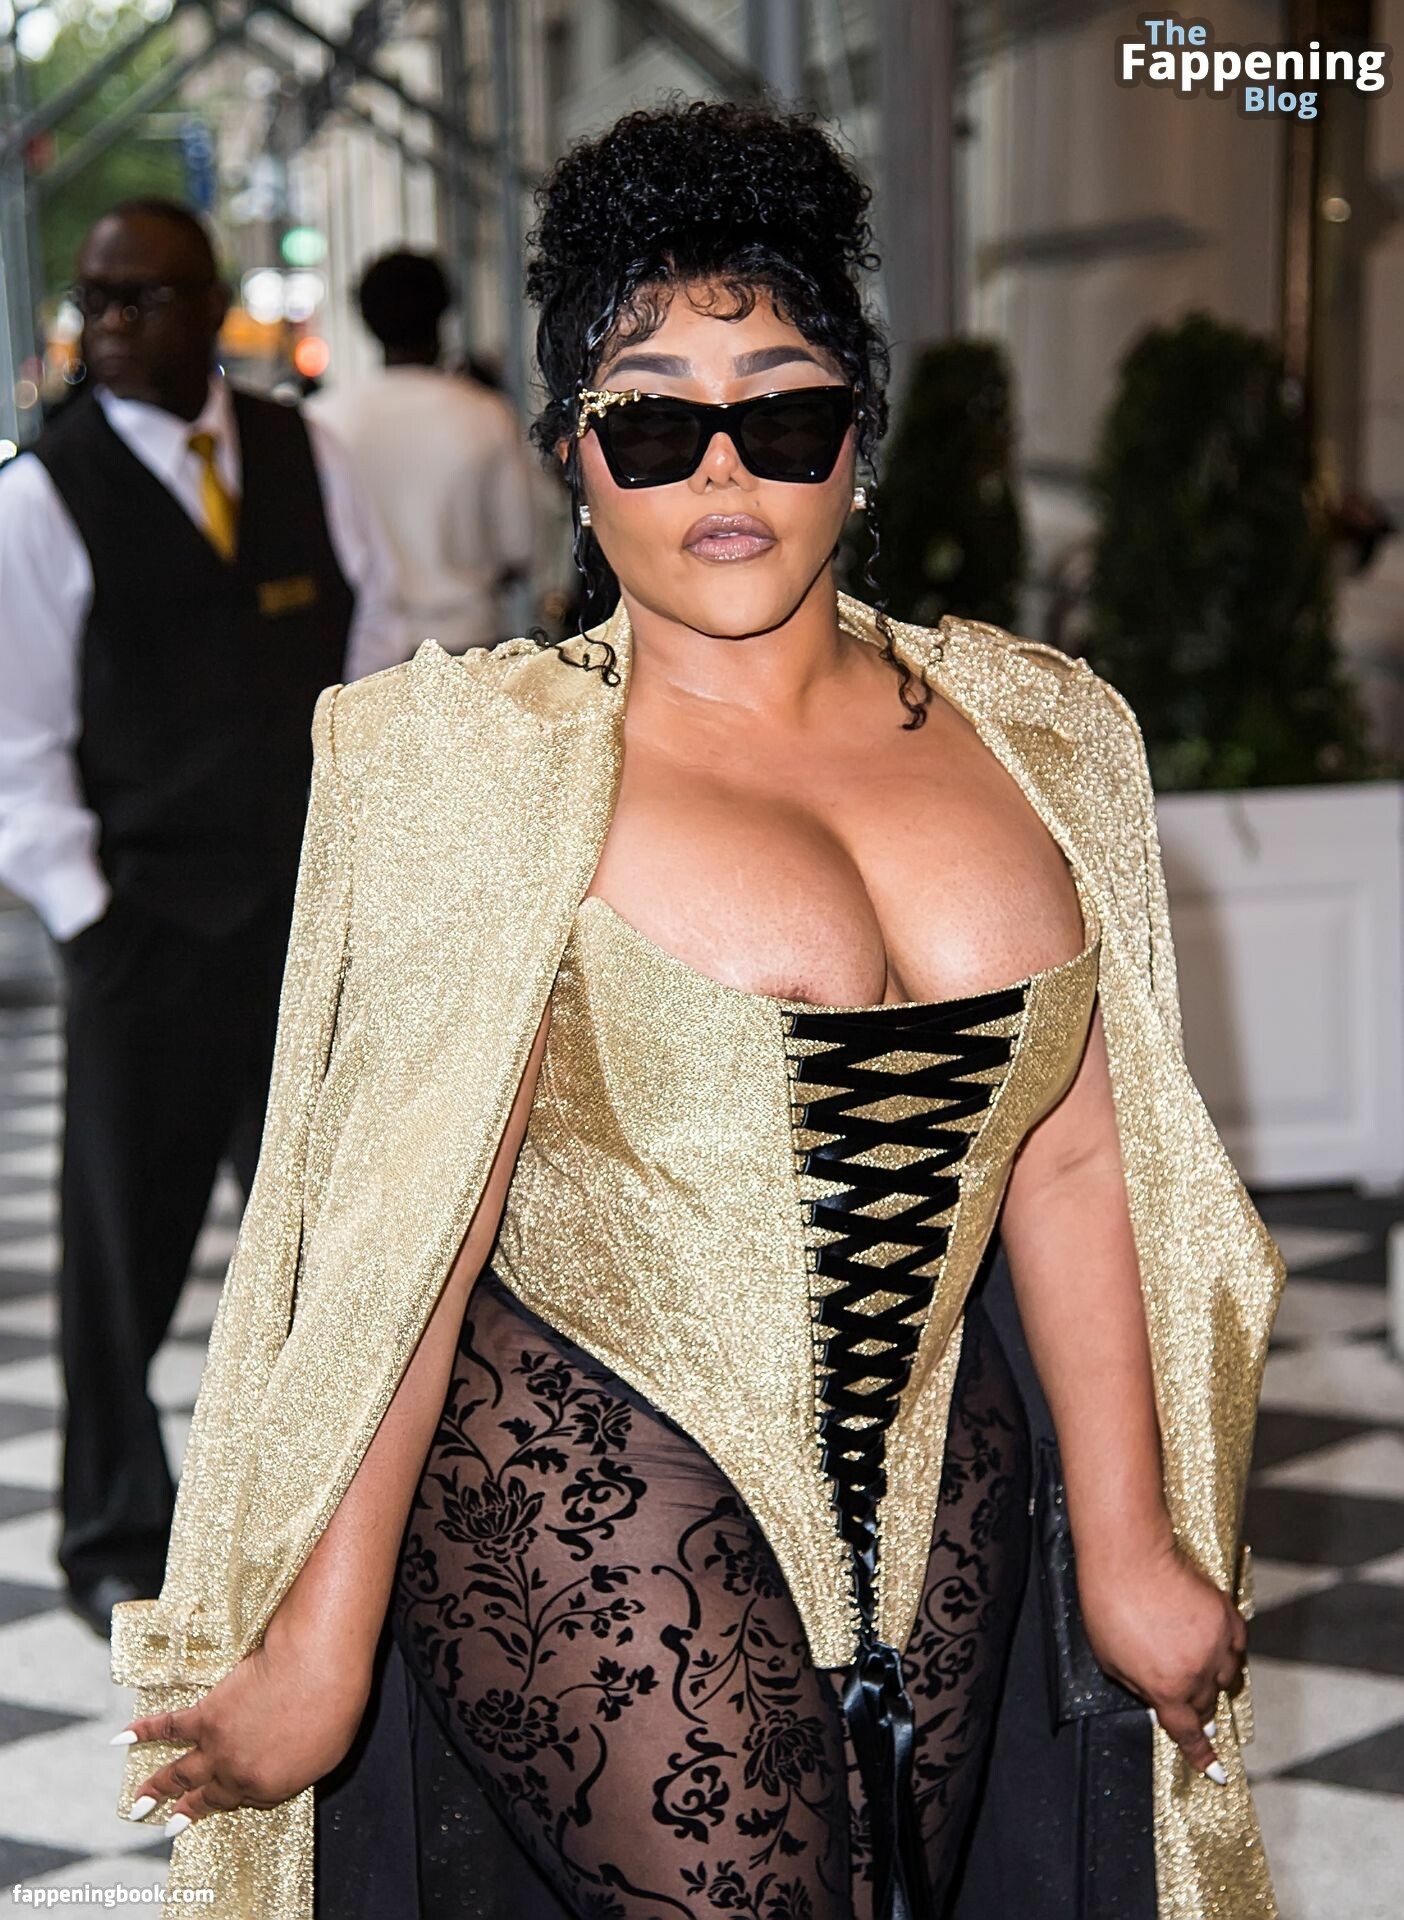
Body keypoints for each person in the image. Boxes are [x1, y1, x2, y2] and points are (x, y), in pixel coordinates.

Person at [107, 105, 1284, 1920]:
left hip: (937, 1457)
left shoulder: (1046, 736)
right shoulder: (491, 766)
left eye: (782, 413)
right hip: (576, 1436)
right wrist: (318, 1648)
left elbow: (1067, 1152)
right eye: (652, 422)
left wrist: (1127, 1545)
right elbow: (413, 1231)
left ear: (857, 442)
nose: (720, 468)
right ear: (575, 462)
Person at [0, 197, 402, 1639]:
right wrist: (92, 918)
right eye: (95, 301)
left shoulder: (303, 450)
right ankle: (114, 1530)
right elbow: (18, 743)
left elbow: (377, 643)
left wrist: (374, 857)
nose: (111, 326)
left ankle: (323, 1525)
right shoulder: (45, 494)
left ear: (210, 305)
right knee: (123, 1249)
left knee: (334, 1243)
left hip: (306, 914)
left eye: (144, 297)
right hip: (148, 930)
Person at [308, 248, 536, 654]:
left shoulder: (324, 419)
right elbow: (519, 545)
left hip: (363, 650)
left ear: (365, 320)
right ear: (444, 312)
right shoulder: (485, 413)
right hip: (469, 642)